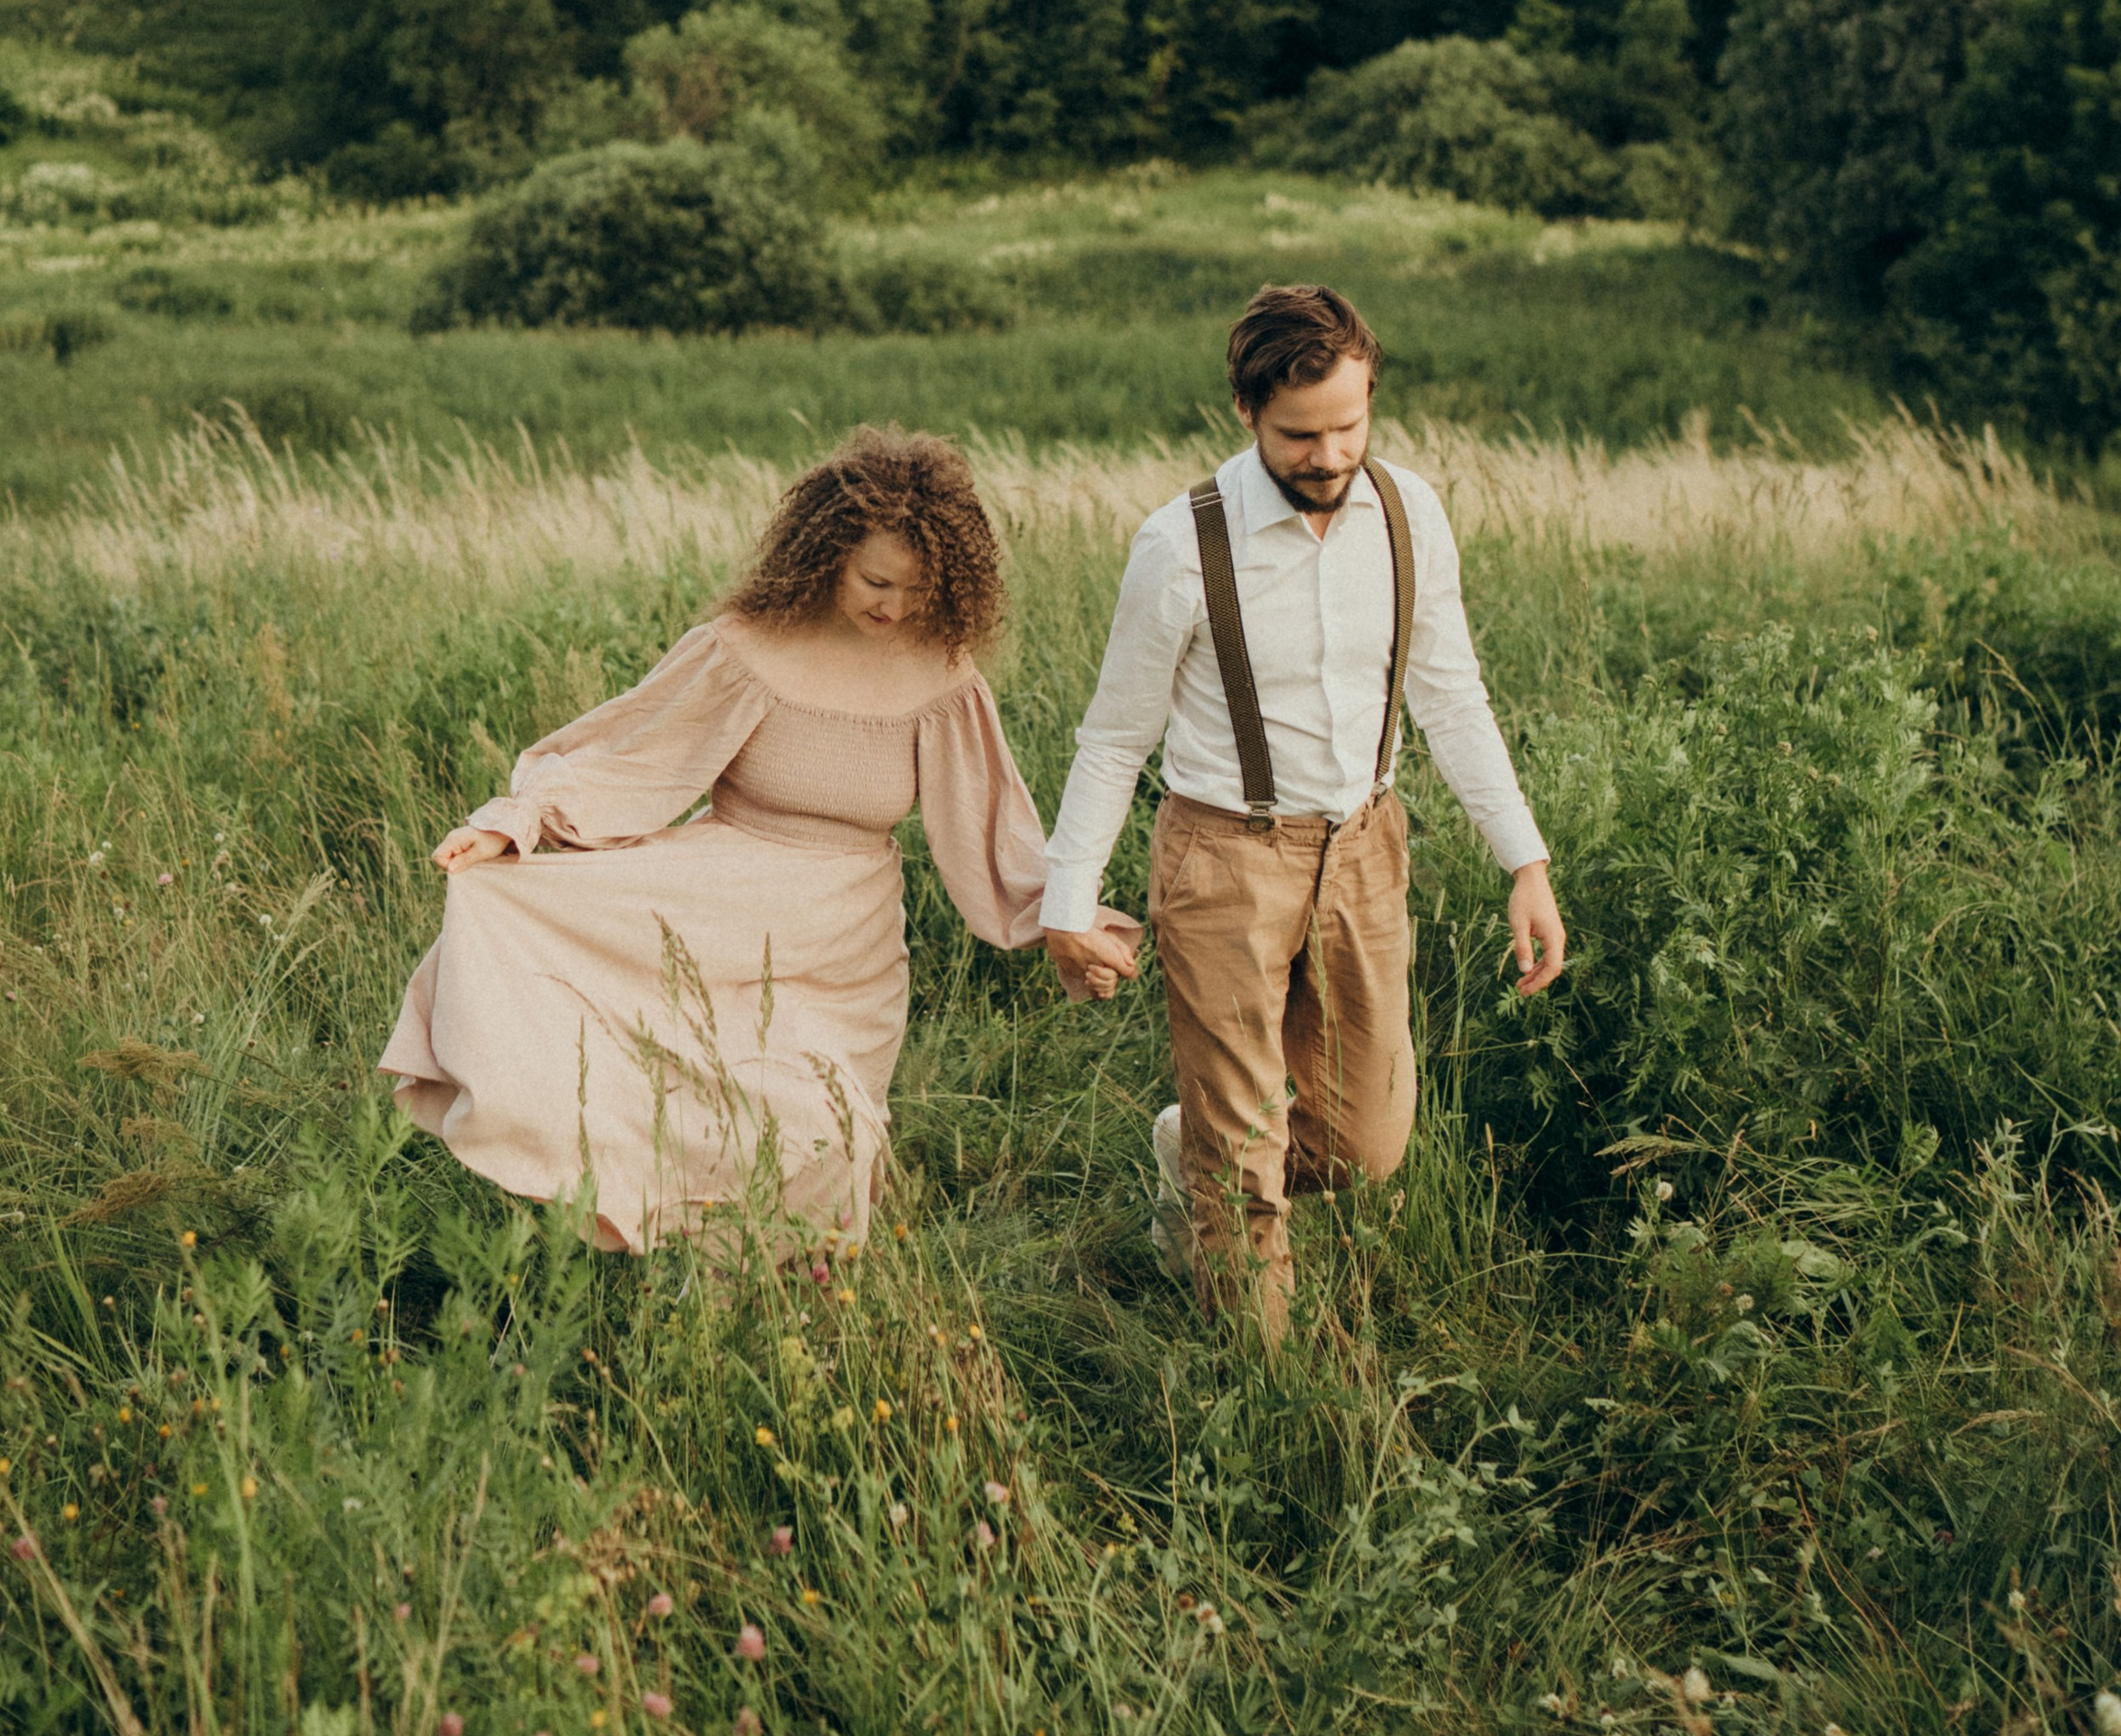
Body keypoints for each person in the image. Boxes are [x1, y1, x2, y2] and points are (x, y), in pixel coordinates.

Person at [381, 427, 1136, 1252]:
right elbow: (632, 760)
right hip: (714, 912)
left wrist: (1064, 921)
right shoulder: (748, 648)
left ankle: (792, 1318)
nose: (894, 605)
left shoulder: (944, 681)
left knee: (828, 1123)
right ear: (830, 553)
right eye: (876, 580)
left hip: (847, 951)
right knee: (693, 1109)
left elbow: (997, 829)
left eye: (918, 589)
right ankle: (687, 1303)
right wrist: (515, 823)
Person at [1037, 283, 1565, 1341]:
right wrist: (1067, 904)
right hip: (1223, 859)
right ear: (1244, 411)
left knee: (1366, 1147)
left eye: (1348, 426)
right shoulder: (1179, 545)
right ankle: (1267, 1393)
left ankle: (1187, 1142)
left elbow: (1450, 694)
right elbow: (1112, 738)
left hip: (1366, 850)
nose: (1328, 455)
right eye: (1299, 435)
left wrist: (1525, 861)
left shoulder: (1410, 512)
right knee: (1245, 1171)